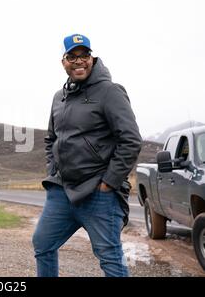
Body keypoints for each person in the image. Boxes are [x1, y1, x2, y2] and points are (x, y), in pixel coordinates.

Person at [32, 34, 142, 277]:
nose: (78, 61)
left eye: (84, 56)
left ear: (91, 59)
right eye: (72, 56)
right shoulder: (58, 97)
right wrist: (53, 170)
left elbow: (131, 140)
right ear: (64, 62)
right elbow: (51, 138)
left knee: (110, 258)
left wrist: (108, 182)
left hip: (98, 192)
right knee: (42, 244)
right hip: (62, 190)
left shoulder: (110, 92)